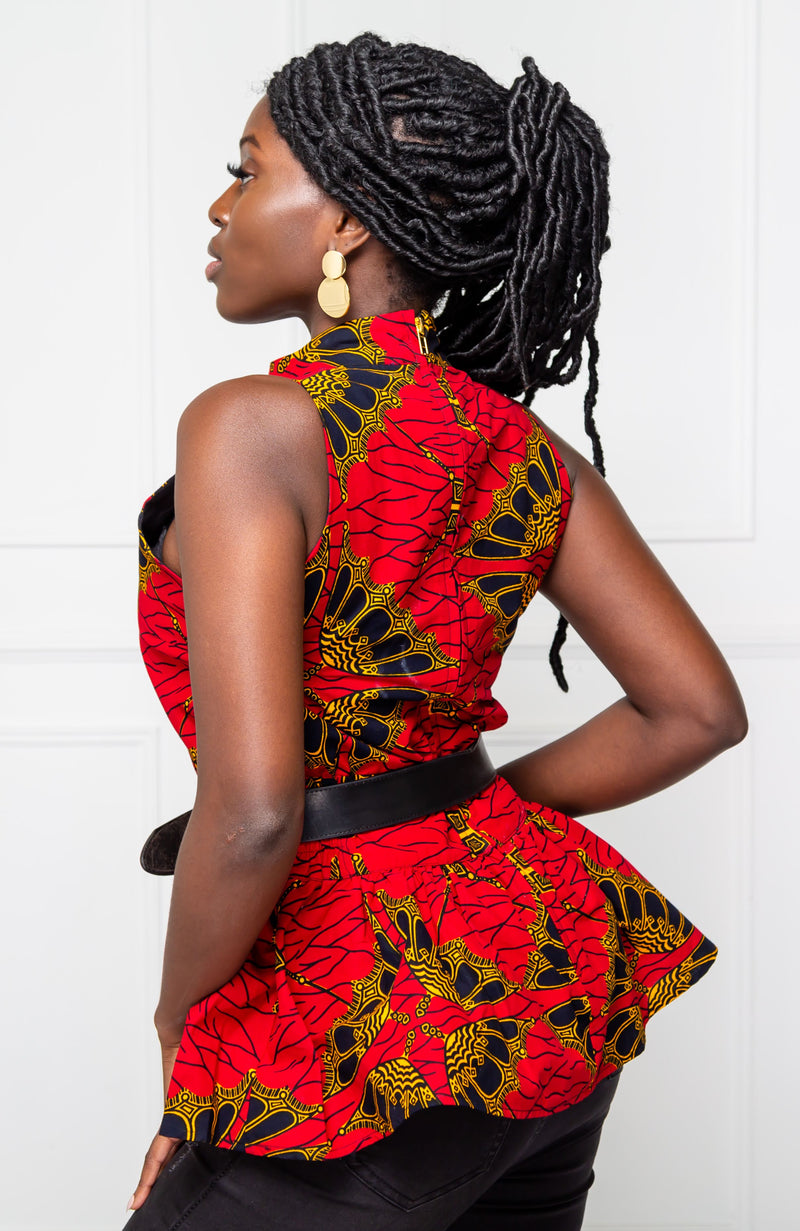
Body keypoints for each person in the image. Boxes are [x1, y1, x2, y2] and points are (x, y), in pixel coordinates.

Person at [126, 31, 747, 1230]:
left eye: (247, 170)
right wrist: (457, 817)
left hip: (359, 1031)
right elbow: (695, 710)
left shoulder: (249, 426)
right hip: (545, 989)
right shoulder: (515, 442)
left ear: (346, 220)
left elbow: (253, 811)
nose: (218, 205)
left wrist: (180, 1034)